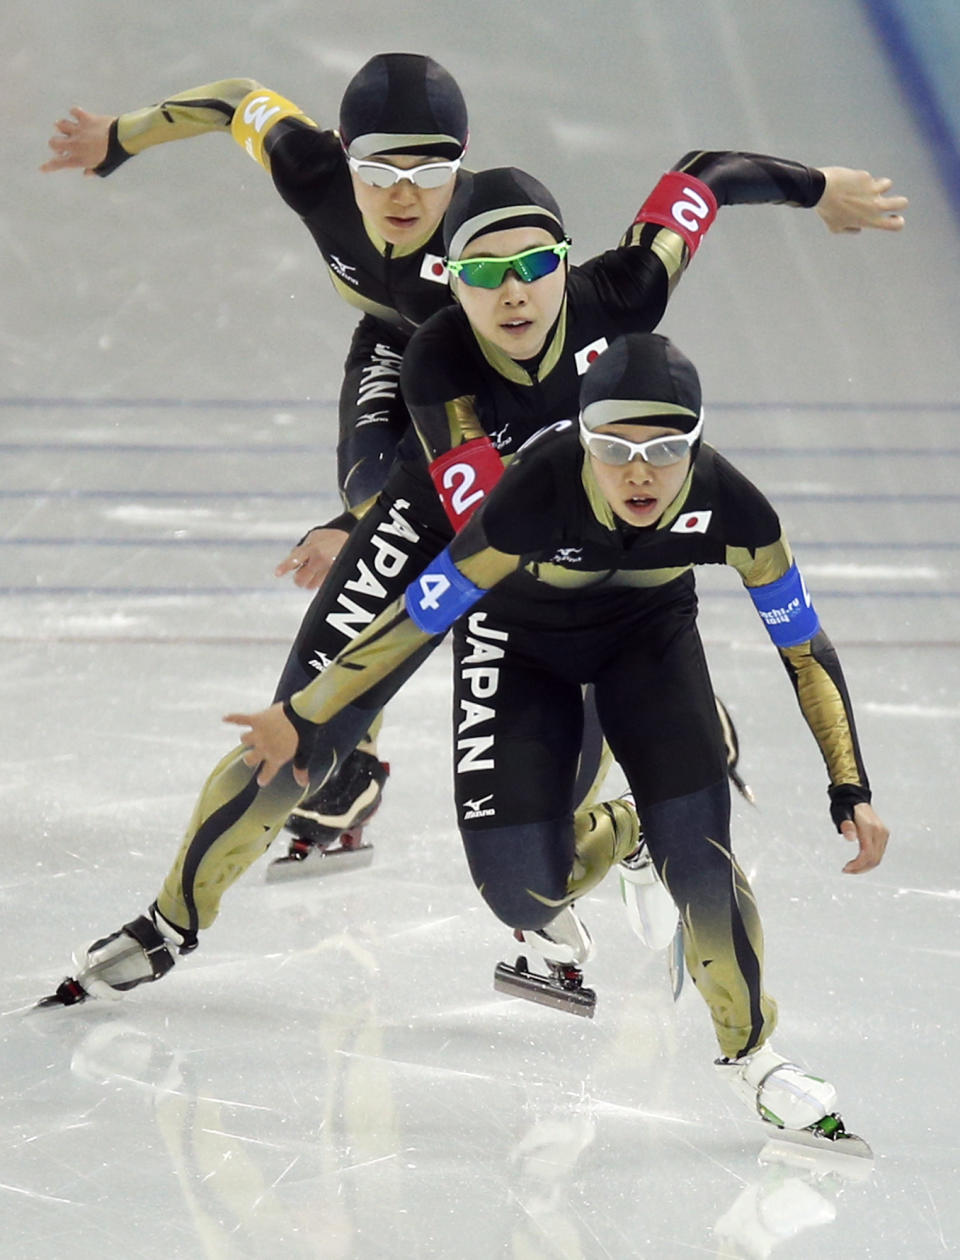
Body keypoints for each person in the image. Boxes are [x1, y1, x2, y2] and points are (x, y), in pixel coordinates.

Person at [41, 159, 905, 1009]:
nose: (516, 294)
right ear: (453, 284)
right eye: (486, 275)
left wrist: (819, 188)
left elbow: (705, 178)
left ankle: (642, 787)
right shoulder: (439, 361)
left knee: (537, 850)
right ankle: (169, 923)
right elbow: (489, 529)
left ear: (566, 260)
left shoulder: (627, 287)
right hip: (459, 536)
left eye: (535, 266)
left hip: (582, 573)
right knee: (295, 737)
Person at [227, 329, 891, 1137]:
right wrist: (309, 710)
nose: (639, 472)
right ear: (582, 441)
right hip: (520, 647)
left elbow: (805, 649)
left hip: (648, 646)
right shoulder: (535, 492)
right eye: (613, 446)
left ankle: (753, 1054)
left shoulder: (738, 507)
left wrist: (848, 782)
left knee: (703, 866)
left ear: (699, 443)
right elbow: (419, 614)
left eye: (666, 447)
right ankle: (630, 832)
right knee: (519, 894)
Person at [41, 52, 471, 853]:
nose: (405, 194)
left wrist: (355, 526)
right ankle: (353, 759)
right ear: (341, 151)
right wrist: (122, 137)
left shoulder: (484, 237)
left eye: (431, 167)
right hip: (389, 341)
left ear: (462, 165)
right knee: (372, 495)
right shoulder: (308, 169)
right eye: (381, 166)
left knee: (389, 519)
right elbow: (236, 99)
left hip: (473, 379)